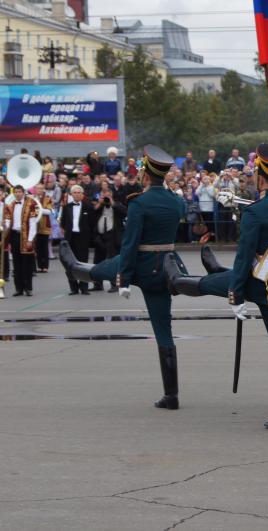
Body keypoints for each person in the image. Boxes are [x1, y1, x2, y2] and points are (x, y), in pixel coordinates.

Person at [166, 144, 268, 431]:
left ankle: (177, 281)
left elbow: (243, 258)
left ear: (263, 177)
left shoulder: (255, 212)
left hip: (259, 283)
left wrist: (236, 294)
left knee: (212, 284)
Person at [60, 145, 187, 410]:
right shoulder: (177, 201)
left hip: (139, 263)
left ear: (145, 175)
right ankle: (171, 395)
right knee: (164, 330)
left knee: (100, 270)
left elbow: (130, 245)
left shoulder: (139, 202)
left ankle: (73, 267)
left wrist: (124, 279)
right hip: (166, 266)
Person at [3, 185, 38, 296]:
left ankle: (28, 288)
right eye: (16, 192)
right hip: (14, 236)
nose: (18, 194)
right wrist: (4, 225)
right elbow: (8, 221)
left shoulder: (31, 203)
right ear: (13, 193)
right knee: (16, 263)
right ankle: (18, 288)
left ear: (23, 192)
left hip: (26, 236)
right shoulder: (10, 205)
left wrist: (30, 239)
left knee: (26, 264)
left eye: (19, 192)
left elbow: (33, 223)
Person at [92, 183, 127, 292]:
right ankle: (97, 284)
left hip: (113, 236)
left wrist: (112, 202)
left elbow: (124, 212)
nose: (105, 195)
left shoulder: (117, 204)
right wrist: (99, 203)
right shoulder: (98, 205)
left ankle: (115, 284)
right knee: (98, 261)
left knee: (113, 261)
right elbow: (91, 213)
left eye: (108, 193)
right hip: (100, 235)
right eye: (104, 193)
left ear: (111, 194)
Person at [60, 185, 94, 295]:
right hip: (70, 238)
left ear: (82, 194)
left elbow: (91, 224)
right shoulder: (67, 207)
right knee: (70, 264)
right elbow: (63, 223)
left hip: (83, 238)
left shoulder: (88, 207)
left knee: (83, 264)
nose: (77, 194)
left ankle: (84, 287)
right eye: (74, 192)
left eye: (79, 192)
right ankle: (73, 288)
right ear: (71, 194)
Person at [34, 183, 54, 272]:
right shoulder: (33, 198)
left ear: (43, 189)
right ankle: (39, 266)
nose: (39, 190)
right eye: (37, 188)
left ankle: (45, 266)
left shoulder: (48, 198)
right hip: (35, 226)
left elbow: (49, 211)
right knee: (37, 247)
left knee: (44, 247)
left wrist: (39, 209)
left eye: (41, 188)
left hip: (45, 225)